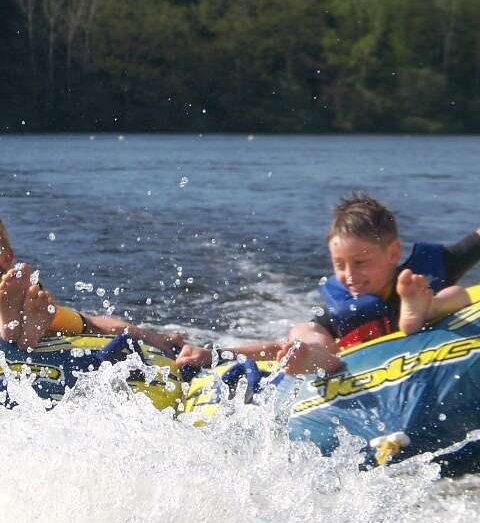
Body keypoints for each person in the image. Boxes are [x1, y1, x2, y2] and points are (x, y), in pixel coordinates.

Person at [175, 193, 480, 376]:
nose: (349, 275)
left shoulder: (420, 274)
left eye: (360, 262)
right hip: (340, 355)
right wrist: (216, 355)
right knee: (306, 333)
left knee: (455, 294)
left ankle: (422, 309)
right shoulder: (342, 307)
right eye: (339, 264)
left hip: (425, 306)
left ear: (393, 253)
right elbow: (272, 349)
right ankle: (307, 358)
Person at [0, 219, 184, 354]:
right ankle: (17, 330)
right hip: (40, 316)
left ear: (6, 258)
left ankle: (16, 329)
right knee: (88, 323)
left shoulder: (15, 287)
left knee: (90, 324)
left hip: (38, 314)